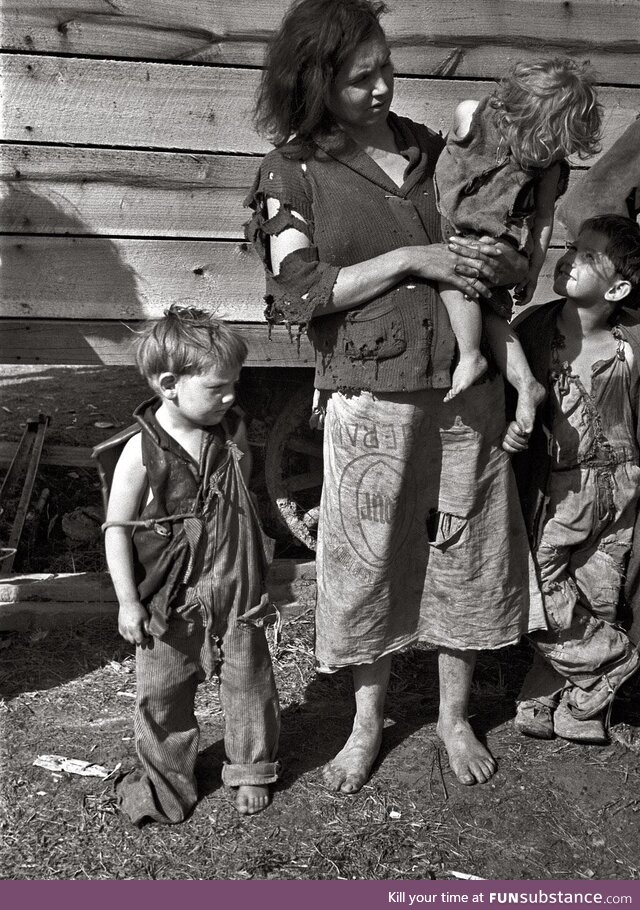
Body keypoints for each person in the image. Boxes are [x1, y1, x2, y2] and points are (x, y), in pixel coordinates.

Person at [245, 0, 545, 791]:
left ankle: (451, 717)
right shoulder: (294, 171)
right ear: (315, 83)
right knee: (367, 561)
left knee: (467, 551)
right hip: (367, 393)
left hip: (460, 386)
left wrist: (504, 265)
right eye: (359, 78)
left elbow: (488, 254)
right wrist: (416, 257)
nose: (381, 88)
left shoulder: (431, 150)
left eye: (386, 68)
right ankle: (365, 723)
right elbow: (297, 290)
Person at [100, 305, 280, 823]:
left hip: (234, 585)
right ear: (169, 384)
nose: (231, 397)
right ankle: (165, 783)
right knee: (162, 697)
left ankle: (251, 768)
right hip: (170, 596)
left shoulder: (228, 433)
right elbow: (117, 530)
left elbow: (241, 504)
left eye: (234, 386)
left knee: (250, 683)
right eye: (218, 387)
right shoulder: (140, 452)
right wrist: (128, 601)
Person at [503, 215, 640, 743]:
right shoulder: (534, 331)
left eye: (587, 256)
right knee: (537, 586)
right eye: (570, 246)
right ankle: (617, 659)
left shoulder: (632, 341)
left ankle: (571, 702)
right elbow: (507, 400)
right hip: (560, 488)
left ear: (619, 289)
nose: (568, 257)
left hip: (622, 483)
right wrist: (513, 435)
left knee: (598, 587)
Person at [434, 58, 602, 403]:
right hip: (449, 221)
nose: (553, 157)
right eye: (550, 146)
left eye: (561, 152)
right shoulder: (472, 115)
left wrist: (533, 268)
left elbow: (542, 218)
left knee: (460, 280)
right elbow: (449, 157)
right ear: (523, 119)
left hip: (493, 236)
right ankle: (526, 383)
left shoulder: (550, 167)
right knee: (489, 310)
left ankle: (471, 356)